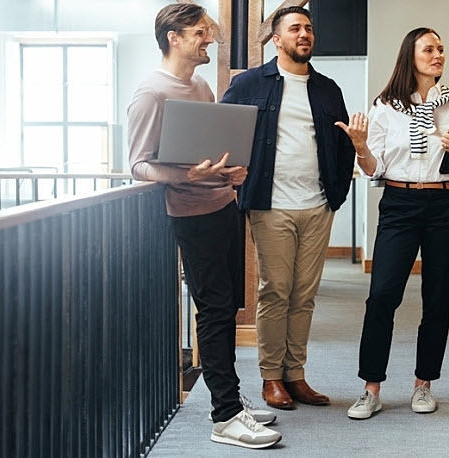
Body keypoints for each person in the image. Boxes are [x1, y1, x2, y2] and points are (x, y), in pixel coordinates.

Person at [126, 3, 280, 449]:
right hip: (191, 215)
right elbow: (138, 165)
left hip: (223, 205)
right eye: (199, 32)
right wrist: (187, 176)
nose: (208, 39)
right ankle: (225, 416)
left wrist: (230, 173)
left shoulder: (200, 86)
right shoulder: (151, 93)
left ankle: (231, 401)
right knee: (213, 311)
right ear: (173, 38)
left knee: (224, 309)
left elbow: (211, 150)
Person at [336, 27, 449, 420]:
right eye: (429, 49)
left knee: (437, 297)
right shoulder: (385, 107)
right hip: (399, 204)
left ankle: (424, 384)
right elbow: (375, 169)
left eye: (441, 49)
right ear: (410, 56)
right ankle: (370, 389)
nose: (438, 55)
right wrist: (360, 147)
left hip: (446, 205)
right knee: (382, 296)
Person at [220, 6, 356, 410]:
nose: (304, 34)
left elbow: (344, 144)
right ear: (276, 40)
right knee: (275, 291)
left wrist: (335, 195)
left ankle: (296, 375)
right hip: (271, 205)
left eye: (308, 28)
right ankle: (271, 378)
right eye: (295, 28)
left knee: (304, 295)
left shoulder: (328, 89)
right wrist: (234, 179)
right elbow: (222, 133)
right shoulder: (248, 84)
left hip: (317, 206)